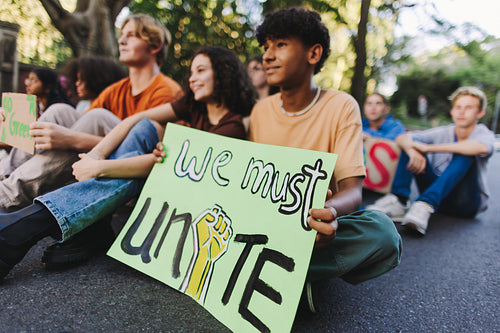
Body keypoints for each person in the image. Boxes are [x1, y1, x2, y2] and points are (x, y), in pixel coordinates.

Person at [0, 46, 255, 281]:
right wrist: (96, 155)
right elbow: (135, 120)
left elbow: (166, 165)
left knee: (135, 169)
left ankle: (28, 225)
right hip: (150, 170)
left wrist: (100, 168)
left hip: (188, 199)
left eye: (201, 71)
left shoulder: (232, 127)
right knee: (144, 126)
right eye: (190, 72)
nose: (191, 79)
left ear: (224, 74)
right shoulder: (192, 105)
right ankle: (85, 228)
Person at [248, 8, 401, 313]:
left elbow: (353, 191)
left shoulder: (342, 106)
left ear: (313, 53)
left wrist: (328, 213)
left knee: (383, 233)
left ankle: (272, 274)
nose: (267, 55)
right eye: (266, 46)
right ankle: (285, 276)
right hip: (263, 227)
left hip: (311, 226)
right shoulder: (260, 111)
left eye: (280, 45)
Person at [0, 14, 182, 212]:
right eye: (122, 35)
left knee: (98, 116)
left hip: (132, 173)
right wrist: (19, 128)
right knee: (59, 112)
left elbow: (159, 156)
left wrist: (73, 140)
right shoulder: (118, 89)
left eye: (131, 35)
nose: (121, 40)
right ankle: (4, 177)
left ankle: (7, 195)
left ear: (154, 46)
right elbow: (79, 125)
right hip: (98, 158)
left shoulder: (167, 92)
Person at [367, 86, 495, 235]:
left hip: (465, 203)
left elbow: (481, 148)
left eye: (468, 108)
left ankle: (425, 204)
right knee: (412, 144)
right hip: (439, 199)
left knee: (466, 152)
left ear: (480, 113)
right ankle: (400, 200)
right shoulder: (445, 131)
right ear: (452, 111)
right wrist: (412, 150)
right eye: (458, 107)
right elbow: (403, 138)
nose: (461, 112)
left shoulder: (483, 133)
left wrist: (429, 148)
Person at [60, 56, 127, 114]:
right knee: (58, 109)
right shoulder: (83, 105)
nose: (77, 84)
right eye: (77, 79)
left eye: (82, 80)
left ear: (96, 80)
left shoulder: (114, 104)